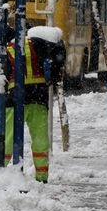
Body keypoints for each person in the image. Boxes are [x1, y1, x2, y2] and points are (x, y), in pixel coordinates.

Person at [4, 27, 66, 183]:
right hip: (38, 97)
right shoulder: (38, 43)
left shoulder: (4, 50)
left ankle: (1, 171)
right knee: (40, 139)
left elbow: (2, 77)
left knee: (8, 138)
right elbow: (56, 58)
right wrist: (51, 78)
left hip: (15, 98)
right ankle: (42, 176)